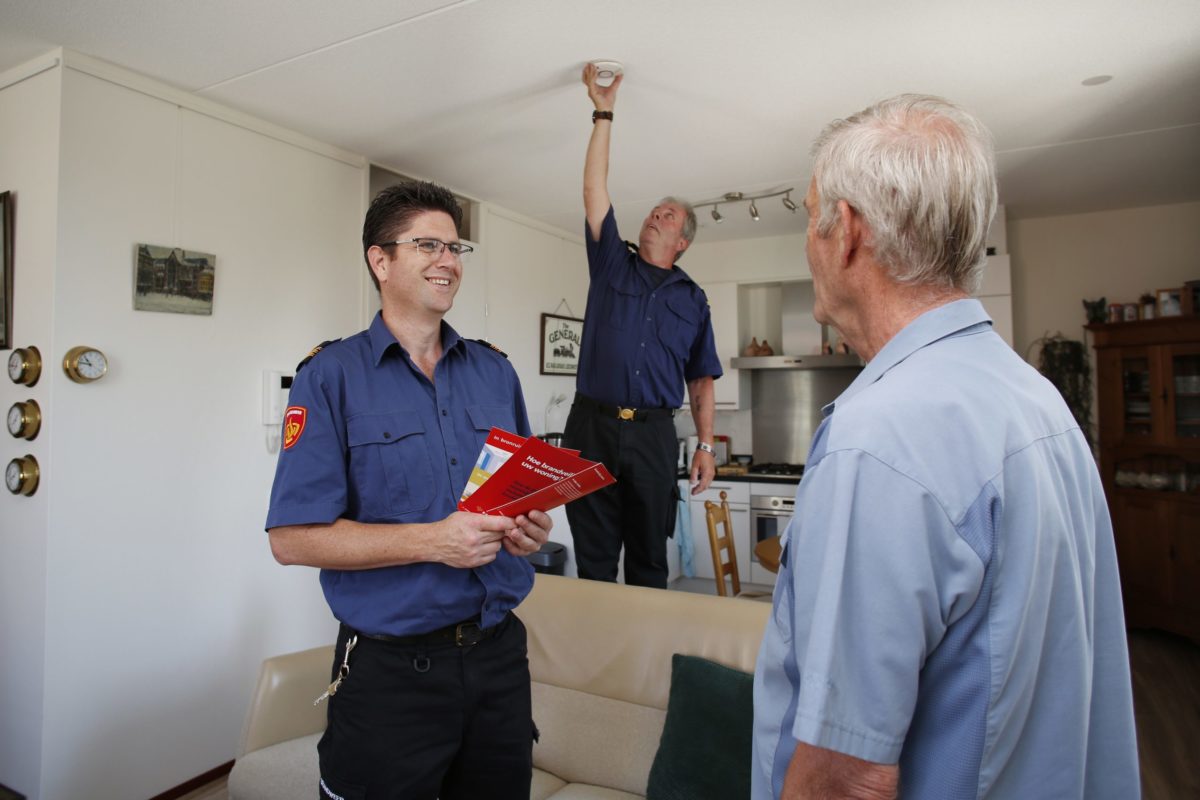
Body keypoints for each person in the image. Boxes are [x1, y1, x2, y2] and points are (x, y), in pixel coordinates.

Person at [753, 95, 1139, 799]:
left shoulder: (878, 439)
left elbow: (848, 775)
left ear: (844, 232)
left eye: (809, 219)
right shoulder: (1038, 401)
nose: (808, 243)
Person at [265, 180, 552, 800]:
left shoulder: (495, 371)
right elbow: (290, 540)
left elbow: (516, 495)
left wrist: (529, 529)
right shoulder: (329, 377)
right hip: (392, 672)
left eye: (455, 248)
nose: (449, 261)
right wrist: (436, 541)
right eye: (429, 244)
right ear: (381, 260)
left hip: (499, 659)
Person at [565, 62, 723, 588]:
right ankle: (594, 667)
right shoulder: (611, 262)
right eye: (656, 209)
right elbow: (594, 189)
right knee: (593, 561)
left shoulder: (694, 300)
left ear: (683, 242)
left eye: (670, 216)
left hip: (655, 434)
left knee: (650, 561)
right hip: (591, 427)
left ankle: (644, 668)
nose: (658, 214)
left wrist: (705, 445)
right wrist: (603, 111)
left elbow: (701, 378)